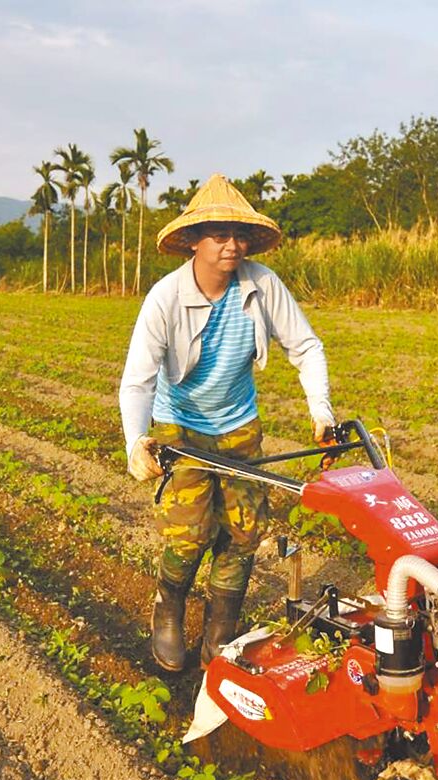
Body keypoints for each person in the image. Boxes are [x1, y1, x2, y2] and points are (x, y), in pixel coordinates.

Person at [119, 174, 334, 672]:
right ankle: (168, 609)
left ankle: (222, 632)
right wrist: (136, 442)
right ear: (194, 240)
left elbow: (306, 346)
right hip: (180, 429)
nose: (231, 245)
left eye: (239, 236)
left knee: (243, 533)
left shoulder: (261, 284)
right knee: (189, 534)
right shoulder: (165, 298)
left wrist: (320, 411)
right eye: (218, 235)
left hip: (239, 426)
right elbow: (138, 381)